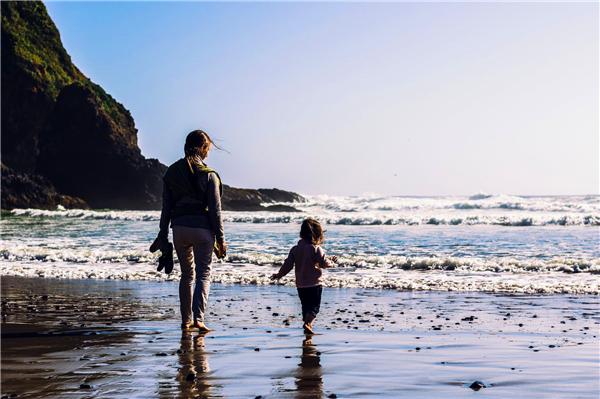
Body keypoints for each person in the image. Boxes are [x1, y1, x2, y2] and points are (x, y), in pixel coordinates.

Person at [151, 130, 227, 332]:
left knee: (186, 275)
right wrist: (221, 238)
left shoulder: (172, 173)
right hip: (203, 230)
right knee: (204, 274)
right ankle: (199, 320)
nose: (208, 153)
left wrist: (162, 234)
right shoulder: (210, 175)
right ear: (203, 148)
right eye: (208, 148)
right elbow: (215, 211)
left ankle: (186, 321)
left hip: (179, 230)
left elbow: (166, 208)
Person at [270, 218, 337, 334]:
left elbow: (288, 265)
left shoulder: (295, 249)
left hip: (300, 285)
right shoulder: (316, 249)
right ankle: (308, 324)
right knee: (314, 307)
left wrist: (279, 274)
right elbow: (323, 263)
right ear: (317, 234)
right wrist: (332, 262)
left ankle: (307, 323)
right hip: (315, 284)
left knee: (305, 306)